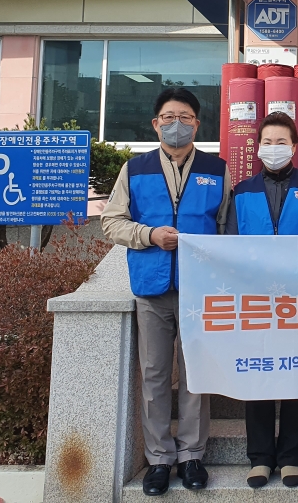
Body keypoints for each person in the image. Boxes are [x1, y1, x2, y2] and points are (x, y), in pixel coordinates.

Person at [101, 88, 232, 497]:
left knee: (196, 374)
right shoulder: (134, 169)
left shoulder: (216, 169)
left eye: (186, 117)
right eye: (169, 117)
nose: (178, 124)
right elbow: (112, 222)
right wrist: (149, 235)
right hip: (152, 287)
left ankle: (192, 455)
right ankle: (159, 459)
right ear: (156, 124)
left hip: (200, 288)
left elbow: (226, 226)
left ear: (197, 124)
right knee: (155, 374)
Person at [226, 111, 298, 489]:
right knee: (258, 372)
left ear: (294, 146)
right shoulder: (243, 190)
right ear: (258, 147)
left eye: (281, 142)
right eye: (267, 142)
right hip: (256, 297)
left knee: (295, 371)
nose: (274, 148)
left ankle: (292, 457)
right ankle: (260, 458)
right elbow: (230, 242)